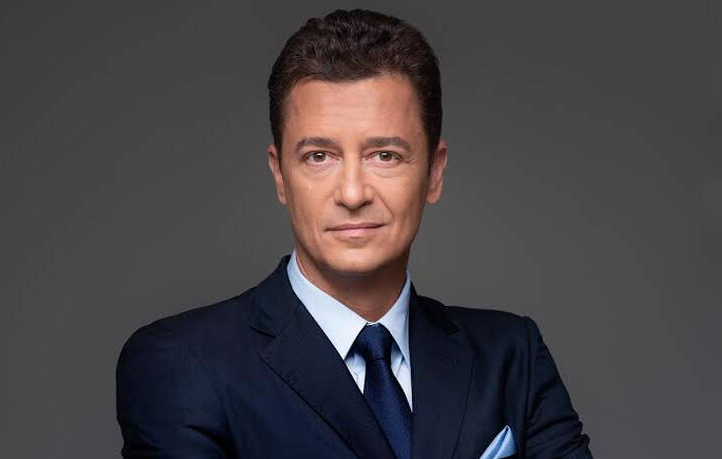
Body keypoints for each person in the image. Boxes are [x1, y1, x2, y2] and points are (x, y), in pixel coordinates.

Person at [116, 9, 592, 459]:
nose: (352, 193)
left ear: (434, 172)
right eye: (318, 156)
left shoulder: (510, 356)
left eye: (385, 155)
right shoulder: (184, 362)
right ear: (280, 176)